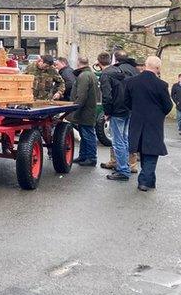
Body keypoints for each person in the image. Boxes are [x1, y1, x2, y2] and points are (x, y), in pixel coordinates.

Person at [125, 56, 173, 192]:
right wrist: (159, 113)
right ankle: (145, 181)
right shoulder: (161, 85)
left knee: (142, 149)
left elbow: (126, 101)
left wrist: (136, 110)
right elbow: (168, 105)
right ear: (158, 68)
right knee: (151, 152)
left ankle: (150, 181)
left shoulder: (131, 82)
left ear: (146, 65)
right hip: (154, 122)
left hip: (137, 120)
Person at [99, 50, 139, 180]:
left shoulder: (110, 72)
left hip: (118, 110)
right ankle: (126, 165)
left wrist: (107, 112)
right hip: (130, 109)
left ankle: (123, 170)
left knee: (118, 141)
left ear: (114, 59)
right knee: (125, 138)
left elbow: (107, 95)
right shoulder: (134, 70)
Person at [69, 57, 100, 166]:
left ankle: (91, 158)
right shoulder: (90, 74)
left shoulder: (84, 76)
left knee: (88, 134)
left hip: (85, 110)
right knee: (84, 133)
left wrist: (75, 109)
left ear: (78, 63)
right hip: (88, 109)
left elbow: (81, 95)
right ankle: (83, 156)